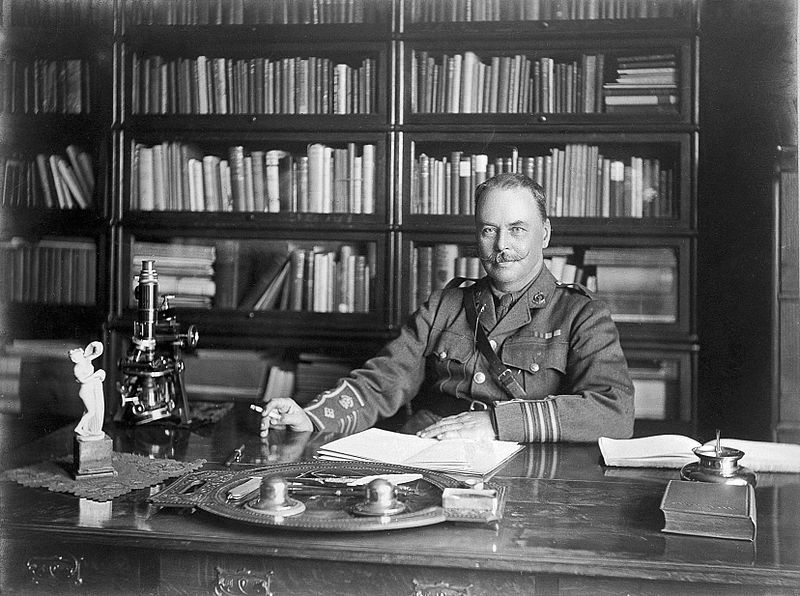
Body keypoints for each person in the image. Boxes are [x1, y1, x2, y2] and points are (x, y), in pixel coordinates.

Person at [262, 172, 634, 442]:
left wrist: (497, 424)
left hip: (522, 468)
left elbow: (613, 413)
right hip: (427, 456)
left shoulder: (581, 314)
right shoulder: (446, 304)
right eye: (489, 230)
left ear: (545, 234)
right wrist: (311, 417)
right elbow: (384, 381)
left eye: (518, 229)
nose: (502, 244)